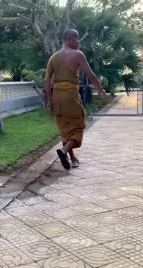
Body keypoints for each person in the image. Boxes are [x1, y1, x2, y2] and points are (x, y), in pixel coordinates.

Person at [45, 29, 106, 170]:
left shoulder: (53, 58)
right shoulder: (78, 55)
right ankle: (65, 151)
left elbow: (47, 81)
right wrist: (100, 88)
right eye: (77, 39)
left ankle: (72, 158)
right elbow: (90, 74)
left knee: (65, 127)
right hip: (71, 94)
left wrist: (49, 100)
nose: (78, 42)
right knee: (79, 126)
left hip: (57, 96)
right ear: (70, 39)